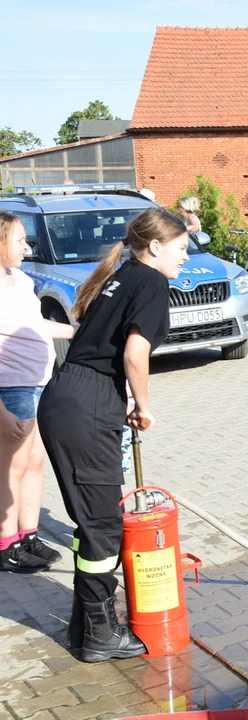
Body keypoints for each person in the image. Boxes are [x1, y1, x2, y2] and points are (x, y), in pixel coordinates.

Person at [37, 208, 189, 663]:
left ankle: (86, 629)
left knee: (92, 525)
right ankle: (102, 635)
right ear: (156, 246)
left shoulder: (121, 275)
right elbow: (135, 353)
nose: (184, 258)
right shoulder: (152, 282)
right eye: (181, 249)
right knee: (103, 528)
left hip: (74, 398)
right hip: (86, 406)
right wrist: (143, 407)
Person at [0, 212, 75, 572]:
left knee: (33, 463)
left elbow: (37, 325)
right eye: (19, 241)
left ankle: (27, 535)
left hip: (39, 384)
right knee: (10, 469)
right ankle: (6, 544)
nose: (27, 248)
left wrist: (79, 331)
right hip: (11, 390)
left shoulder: (20, 280)